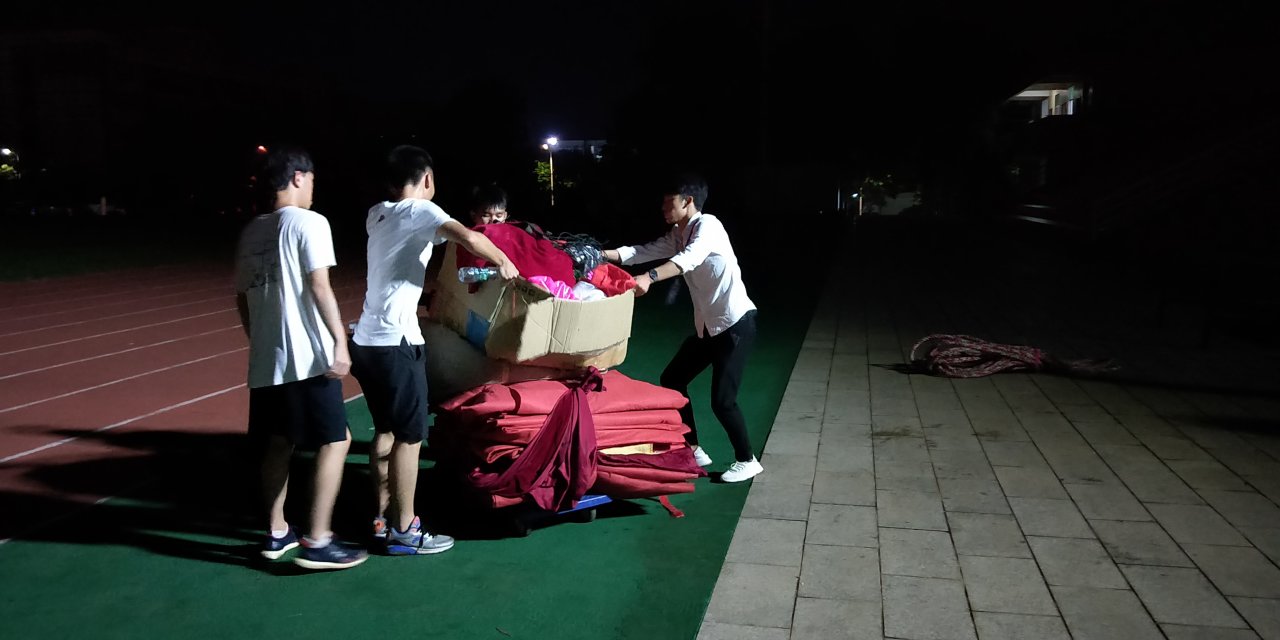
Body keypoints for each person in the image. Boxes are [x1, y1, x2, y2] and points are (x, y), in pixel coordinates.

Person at [352, 145, 519, 554]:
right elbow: (467, 236)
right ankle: (406, 530)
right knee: (410, 437)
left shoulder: (377, 213)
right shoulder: (422, 210)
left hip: (367, 341)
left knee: (385, 432)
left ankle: (381, 519)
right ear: (427, 178)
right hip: (397, 342)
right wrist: (503, 261)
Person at [234, 145, 367, 570]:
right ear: (297, 177)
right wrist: (339, 342)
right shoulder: (309, 222)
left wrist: (259, 338)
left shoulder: (252, 231)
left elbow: (242, 297)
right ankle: (319, 539)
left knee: (278, 443)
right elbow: (319, 285)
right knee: (337, 440)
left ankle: (277, 532)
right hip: (307, 357)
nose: (312, 188)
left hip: (267, 358)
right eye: (311, 180)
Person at [602, 173, 763, 482]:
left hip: (735, 324)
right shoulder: (679, 232)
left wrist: (649, 277)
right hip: (708, 328)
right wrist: (601, 255)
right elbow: (642, 251)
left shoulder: (708, 226)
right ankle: (693, 448)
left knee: (723, 401)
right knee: (673, 378)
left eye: (669, 202)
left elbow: (688, 260)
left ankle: (747, 460)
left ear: (688, 201)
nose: (663, 208)